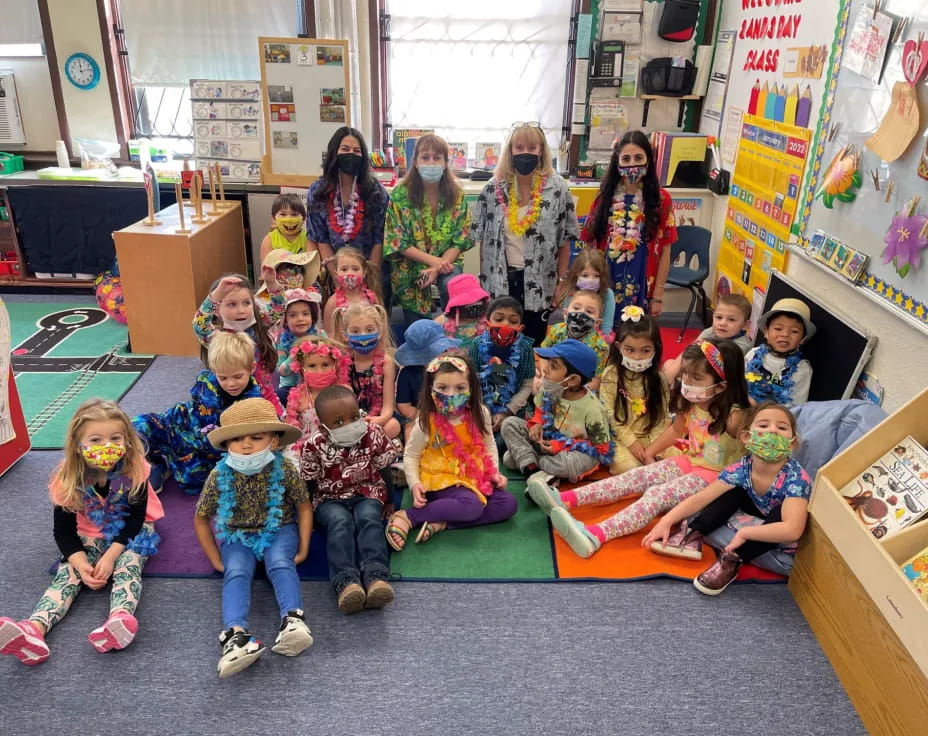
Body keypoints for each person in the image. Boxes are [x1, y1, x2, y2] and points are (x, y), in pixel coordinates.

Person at [531, 338, 748, 558]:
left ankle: (596, 535)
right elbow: (675, 431)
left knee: (656, 495)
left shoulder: (735, 416)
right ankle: (564, 500)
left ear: (722, 385)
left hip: (716, 478)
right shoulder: (692, 403)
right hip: (690, 462)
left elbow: (753, 450)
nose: (686, 381)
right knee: (635, 477)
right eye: (685, 374)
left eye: (697, 377)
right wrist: (651, 452)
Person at [0, 399, 163, 666]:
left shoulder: (134, 469)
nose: (106, 446)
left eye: (115, 438)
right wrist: (80, 562)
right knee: (67, 575)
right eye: (96, 439)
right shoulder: (67, 478)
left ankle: (118, 619)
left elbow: (134, 520)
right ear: (79, 444)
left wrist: (110, 557)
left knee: (129, 565)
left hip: (132, 531)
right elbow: (63, 532)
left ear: (127, 442)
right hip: (89, 532)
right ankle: (34, 630)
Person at [194, 398, 313, 678]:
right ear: (226, 446)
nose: (246, 445)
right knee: (235, 571)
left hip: (279, 527)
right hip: (237, 534)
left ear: (273, 441)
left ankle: (293, 620)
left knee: (281, 562)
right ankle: (236, 636)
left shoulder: (283, 469)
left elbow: (304, 505)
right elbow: (201, 518)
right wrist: (216, 559)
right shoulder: (218, 475)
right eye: (236, 439)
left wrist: (304, 547)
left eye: (256, 437)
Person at [644, 401, 811, 595]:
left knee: (780, 515)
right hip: (756, 505)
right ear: (746, 437)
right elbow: (703, 497)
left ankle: (733, 559)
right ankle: (696, 533)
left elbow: (793, 530)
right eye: (763, 426)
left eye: (782, 427)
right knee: (732, 491)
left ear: (792, 442)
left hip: (778, 517)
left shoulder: (796, 479)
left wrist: (746, 533)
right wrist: (668, 520)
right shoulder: (742, 467)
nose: (772, 431)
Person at [385, 355, 517, 550]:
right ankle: (409, 516)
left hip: (472, 476)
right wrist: (414, 484)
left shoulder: (480, 413)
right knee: (471, 506)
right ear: (431, 389)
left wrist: (494, 473)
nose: (451, 394)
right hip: (440, 479)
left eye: (460, 388)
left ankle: (443, 522)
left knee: (508, 504)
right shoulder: (425, 421)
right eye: (443, 388)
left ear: (471, 388)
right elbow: (411, 455)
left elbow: (488, 444)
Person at [472, 122, 580, 345]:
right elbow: (483, 240)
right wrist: (484, 283)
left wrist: (561, 281)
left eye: (532, 148)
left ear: (541, 150)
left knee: (533, 342)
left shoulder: (558, 188)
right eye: (519, 148)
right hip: (501, 280)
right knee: (499, 341)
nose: (525, 153)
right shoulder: (494, 188)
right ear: (510, 151)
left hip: (540, 283)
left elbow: (565, 241)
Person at [300, 386, 401, 613]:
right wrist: (310, 515)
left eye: (354, 417)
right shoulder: (313, 445)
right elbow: (309, 483)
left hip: (367, 490)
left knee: (368, 518)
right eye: (338, 422)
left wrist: (390, 500)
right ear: (323, 427)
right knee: (340, 523)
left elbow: (383, 468)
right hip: (329, 497)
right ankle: (346, 582)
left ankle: (376, 576)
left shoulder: (372, 432)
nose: (349, 425)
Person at [134, 332, 262, 494]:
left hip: (206, 449)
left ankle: (173, 462)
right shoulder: (204, 388)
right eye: (223, 378)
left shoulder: (254, 401)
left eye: (238, 377)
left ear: (252, 368)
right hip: (176, 425)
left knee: (192, 485)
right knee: (135, 428)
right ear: (214, 371)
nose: (231, 384)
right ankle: (155, 462)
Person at [579, 130, 678, 329]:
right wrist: (588, 284)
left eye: (638, 158)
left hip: (642, 279)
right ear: (618, 163)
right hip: (606, 279)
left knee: (635, 337)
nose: (632, 164)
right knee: (603, 334)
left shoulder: (661, 200)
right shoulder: (603, 198)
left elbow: (666, 250)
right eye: (626, 159)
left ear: (648, 161)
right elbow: (588, 243)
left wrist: (658, 294)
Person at [384, 134, 473, 325]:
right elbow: (397, 242)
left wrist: (439, 266)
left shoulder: (456, 195)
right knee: (417, 327)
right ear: (415, 162)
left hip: (448, 261)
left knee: (453, 285)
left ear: (445, 163)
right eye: (425, 157)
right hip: (410, 263)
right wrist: (434, 263)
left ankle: (454, 336)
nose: (431, 162)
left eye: (437, 157)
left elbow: (461, 238)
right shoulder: (400, 195)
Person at [502, 339, 613, 488]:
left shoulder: (594, 409)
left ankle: (529, 461)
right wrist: (536, 424)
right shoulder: (551, 390)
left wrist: (560, 446)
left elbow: (601, 449)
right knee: (509, 424)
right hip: (547, 441)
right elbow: (540, 411)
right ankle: (534, 470)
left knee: (568, 464)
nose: (545, 369)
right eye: (548, 363)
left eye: (553, 366)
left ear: (572, 380)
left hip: (573, 452)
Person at [305, 127, 390, 306]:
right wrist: (339, 278)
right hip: (335, 270)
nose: (350, 154)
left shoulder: (375, 191)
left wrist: (369, 279)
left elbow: (379, 239)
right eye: (345, 149)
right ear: (334, 153)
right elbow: (320, 238)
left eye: (356, 151)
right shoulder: (318, 191)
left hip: (370, 269)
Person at [193, 271, 285, 414]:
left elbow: (278, 309)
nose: (241, 310)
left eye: (247, 303)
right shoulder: (218, 339)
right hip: (230, 405)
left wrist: (271, 283)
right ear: (217, 309)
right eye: (232, 304)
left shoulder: (259, 326)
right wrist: (216, 295)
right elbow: (199, 324)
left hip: (265, 399)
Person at [600, 306, 670, 474]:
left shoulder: (659, 378)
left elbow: (663, 417)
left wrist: (652, 449)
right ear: (618, 346)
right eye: (630, 350)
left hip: (653, 439)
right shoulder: (611, 375)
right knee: (628, 467)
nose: (637, 357)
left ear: (655, 349)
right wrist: (631, 442)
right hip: (621, 439)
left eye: (645, 351)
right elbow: (608, 413)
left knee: (676, 461)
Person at [465, 296, 536, 437]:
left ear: (520, 328)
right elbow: (472, 381)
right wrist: (484, 410)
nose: (505, 325)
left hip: (514, 408)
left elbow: (528, 385)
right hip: (481, 406)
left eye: (513, 321)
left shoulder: (525, 348)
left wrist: (507, 411)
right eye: (498, 319)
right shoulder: (477, 345)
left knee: (506, 440)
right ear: (487, 324)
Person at [333, 302, 401, 439]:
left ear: (379, 332)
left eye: (369, 330)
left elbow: (388, 406)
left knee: (393, 426)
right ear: (345, 335)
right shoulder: (340, 361)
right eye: (355, 331)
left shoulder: (386, 362)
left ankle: (368, 445)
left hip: (378, 418)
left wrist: (380, 420)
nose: (363, 335)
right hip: (349, 420)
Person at [395, 319, 461, 443]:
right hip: (418, 417)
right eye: (438, 351)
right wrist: (426, 416)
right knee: (411, 431)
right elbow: (403, 406)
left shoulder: (451, 368)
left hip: (449, 414)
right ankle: (414, 458)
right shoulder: (407, 374)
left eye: (444, 349)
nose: (443, 354)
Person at [663, 293, 752, 383]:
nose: (722, 323)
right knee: (669, 364)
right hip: (700, 370)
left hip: (720, 381)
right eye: (719, 317)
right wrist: (671, 374)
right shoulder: (711, 331)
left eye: (731, 320)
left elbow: (713, 369)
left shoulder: (741, 346)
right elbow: (688, 351)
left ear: (745, 325)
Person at [283, 336, 352, 450]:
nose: (319, 371)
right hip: (304, 451)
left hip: (338, 449)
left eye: (325, 365)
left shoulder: (344, 391)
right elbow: (289, 431)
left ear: (335, 365)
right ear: (301, 368)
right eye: (312, 366)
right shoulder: (297, 396)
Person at [745, 298, 815, 406]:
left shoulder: (802, 370)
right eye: (778, 329)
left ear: (802, 339)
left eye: (794, 331)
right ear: (766, 332)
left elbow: (796, 407)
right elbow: (737, 382)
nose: (785, 334)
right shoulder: (753, 354)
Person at [540, 290, 610, 382]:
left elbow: (596, 379)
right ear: (565, 313)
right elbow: (544, 354)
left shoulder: (601, 347)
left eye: (589, 311)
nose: (581, 314)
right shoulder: (557, 330)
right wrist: (543, 376)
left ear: (597, 323)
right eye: (576, 308)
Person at [552, 247, 616, 338]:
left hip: (594, 342)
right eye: (585, 275)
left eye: (596, 276)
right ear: (576, 274)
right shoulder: (570, 290)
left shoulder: (607, 294)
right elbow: (564, 321)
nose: (590, 280)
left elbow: (606, 327)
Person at [275, 287, 324, 407]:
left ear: (312, 316)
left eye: (305, 314)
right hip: (290, 387)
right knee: (279, 395)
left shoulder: (320, 335)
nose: (300, 319)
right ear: (285, 321)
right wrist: (295, 355)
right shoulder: (281, 341)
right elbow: (281, 371)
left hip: (317, 383)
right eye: (293, 315)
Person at [322, 246, 382, 335]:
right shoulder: (332, 303)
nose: (350, 273)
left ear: (364, 272)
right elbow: (329, 333)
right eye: (344, 269)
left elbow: (382, 327)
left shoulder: (372, 298)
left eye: (355, 269)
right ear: (336, 273)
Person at [256, 249, 321, 307]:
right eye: (292, 269)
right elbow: (275, 316)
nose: (299, 275)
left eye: (301, 269)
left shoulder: (310, 299)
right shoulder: (262, 302)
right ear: (273, 273)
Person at [259, 193, 314, 262]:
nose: (289, 219)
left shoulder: (308, 239)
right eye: (283, 214)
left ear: (303, 218)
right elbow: (266, 268)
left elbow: (311, 265)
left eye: (294, 214)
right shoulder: (269, 240)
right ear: (273, 218)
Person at [437, 273, 490, 341]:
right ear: (456, 307)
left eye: (478, 302)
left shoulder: (489, 317)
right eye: (469, 304)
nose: (475, 306)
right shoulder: (445, 320)